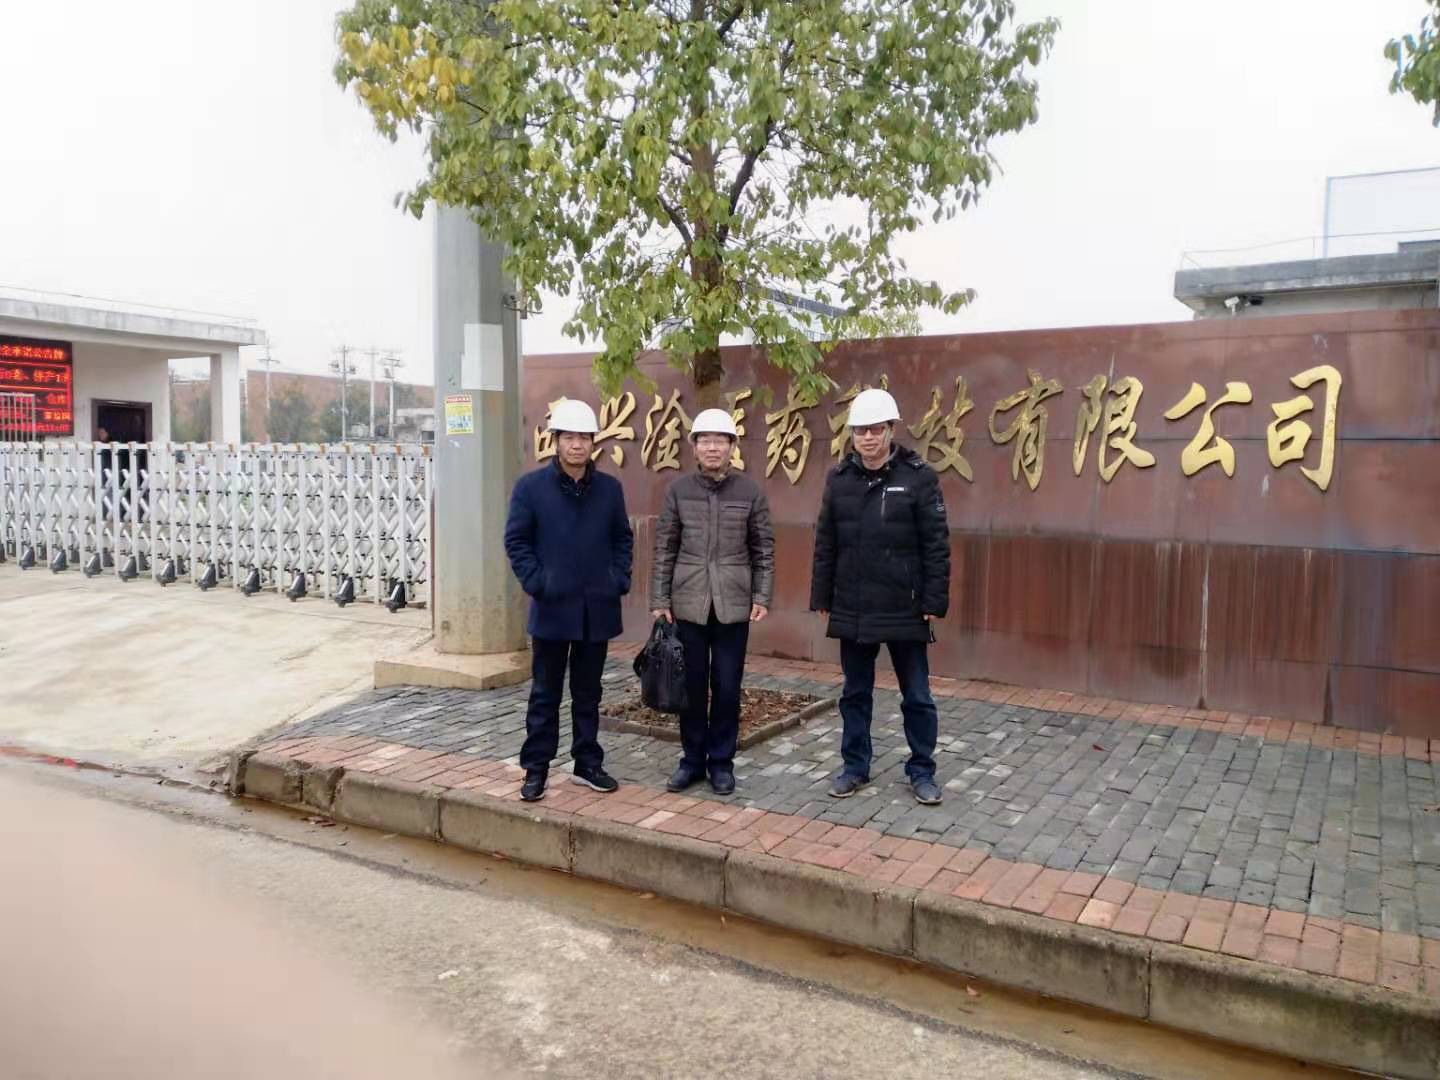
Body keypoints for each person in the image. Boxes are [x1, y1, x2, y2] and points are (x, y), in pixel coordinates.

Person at [809, 388, 951, 805]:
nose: (868, 437)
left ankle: (922, 770)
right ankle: (855, 767)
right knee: (855, 694)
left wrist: (933, 601)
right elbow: (825, 542)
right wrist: (822, 594)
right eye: (860, 430)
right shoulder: (839, 479)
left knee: (917, 696)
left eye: (875, 429)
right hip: (854, 605)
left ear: (891, 429)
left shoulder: (919, 476)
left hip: (906, 605)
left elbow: (936, 545)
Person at [504, 398, 633, 802]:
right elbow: (517, 541)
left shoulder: (609, 490)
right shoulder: (530, 488)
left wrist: (617, 579)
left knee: (588, 692)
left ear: (594, 442)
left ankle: (587, 763)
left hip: (597, 608)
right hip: (552, 608)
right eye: (569, 437)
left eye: (584, 437)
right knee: (545, 693)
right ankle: (536, 767)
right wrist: (538, 582)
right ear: (555, 440)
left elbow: (622, 539)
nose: (577, 445)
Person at [650, 408, 774, 796]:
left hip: (733, 605)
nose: (713, 447)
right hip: (687, 603)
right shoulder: (678, 490)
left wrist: (762, 595)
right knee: (689, 686)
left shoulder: (750, 491)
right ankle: (691, 761)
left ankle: (721, 763)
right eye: (705, 440)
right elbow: (665, 547)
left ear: (732, 446)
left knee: (727, 687)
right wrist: (660, 597)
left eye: (721, 440)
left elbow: (763, 548)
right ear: (694, 447)